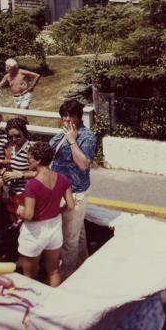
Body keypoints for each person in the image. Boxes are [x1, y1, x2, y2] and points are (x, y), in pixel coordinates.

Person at [50, 99, 96, 280]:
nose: (66, 119)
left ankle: (67, 276)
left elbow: (83, 164)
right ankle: (84, 267)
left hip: (75, 191)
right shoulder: (62, 133)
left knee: (69, 240)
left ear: (79, 116)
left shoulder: (86, 136)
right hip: (59, 188)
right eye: (64, 115)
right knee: (78, 233)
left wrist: (72, 141)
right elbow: (50, 150)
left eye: (70, 115)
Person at [17, 142, 75, 287]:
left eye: (29, 158)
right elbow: (71, 206)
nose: (27, 161)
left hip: (34, 232)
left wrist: (20, 211)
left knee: (29, 275)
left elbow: (29, 214)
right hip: (55, 227)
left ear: (39, 160)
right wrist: (56, 211)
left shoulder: (32, 184)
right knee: (54, 271)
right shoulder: (63, 179)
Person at [1, 117, 33, 224]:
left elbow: (39, 173)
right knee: (14, 224)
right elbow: (10, 165)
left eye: (17, 136)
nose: (14, 139)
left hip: (25, 194)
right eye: (10, 137)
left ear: (24, 133)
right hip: (12, 193)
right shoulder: (11, 148)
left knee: (24, 225)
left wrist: (20, 175)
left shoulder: (30, 149)